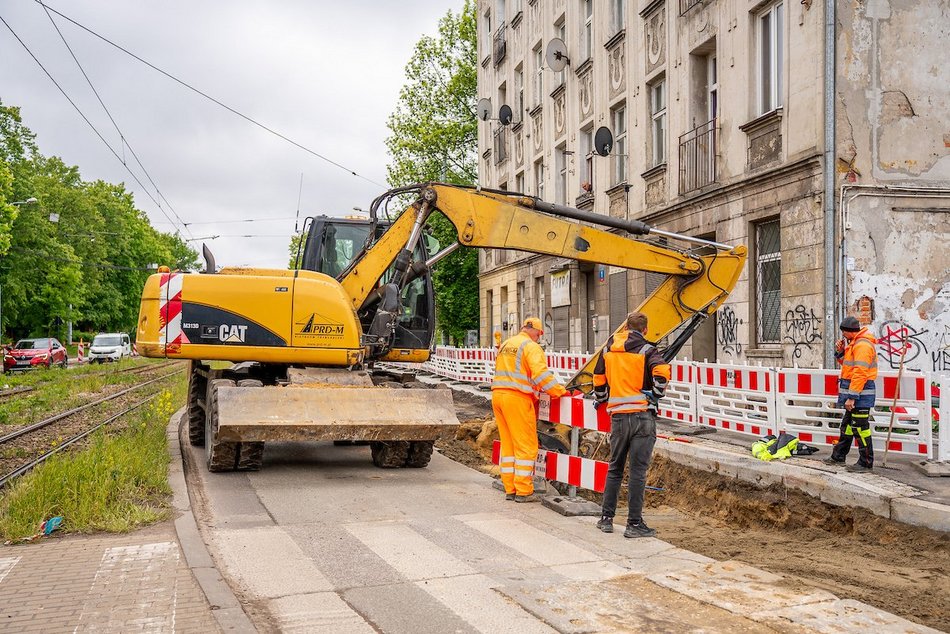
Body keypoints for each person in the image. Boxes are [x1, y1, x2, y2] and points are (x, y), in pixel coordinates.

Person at [593, 312, 671, 538]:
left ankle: (606, 519)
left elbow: (598, 378)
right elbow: (662, 371)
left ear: (625, 327)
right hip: (642, 417)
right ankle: (634, 524)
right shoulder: (647, 350)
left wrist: (602, 397)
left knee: (615, 467)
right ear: (645, 330)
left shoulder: (608, 350)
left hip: (618, 418)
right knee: (638, 472)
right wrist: (656, 394)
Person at [491, 317, 566, 502]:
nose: (539, 338)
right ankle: (524, 491)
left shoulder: (508, 343)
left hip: (498, 396)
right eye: (540, 335)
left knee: (508, 445)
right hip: (517, 399)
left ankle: (510, 488)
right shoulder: (531, 347)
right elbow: (541, 374)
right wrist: (559, 391)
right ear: (538, 332)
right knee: (526, 446)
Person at [824, 316, 878, 472]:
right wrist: (840, 352)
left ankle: (866, 462)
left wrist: (852, 397)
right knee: (847, 426)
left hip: (860, 395)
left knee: (861, 428)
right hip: (855, 394)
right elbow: (848, 367)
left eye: (843, 333)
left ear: (849, 332)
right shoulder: (855, 344)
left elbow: (860, 373)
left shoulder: (862, 346)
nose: (843, 336)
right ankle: (838, 456)